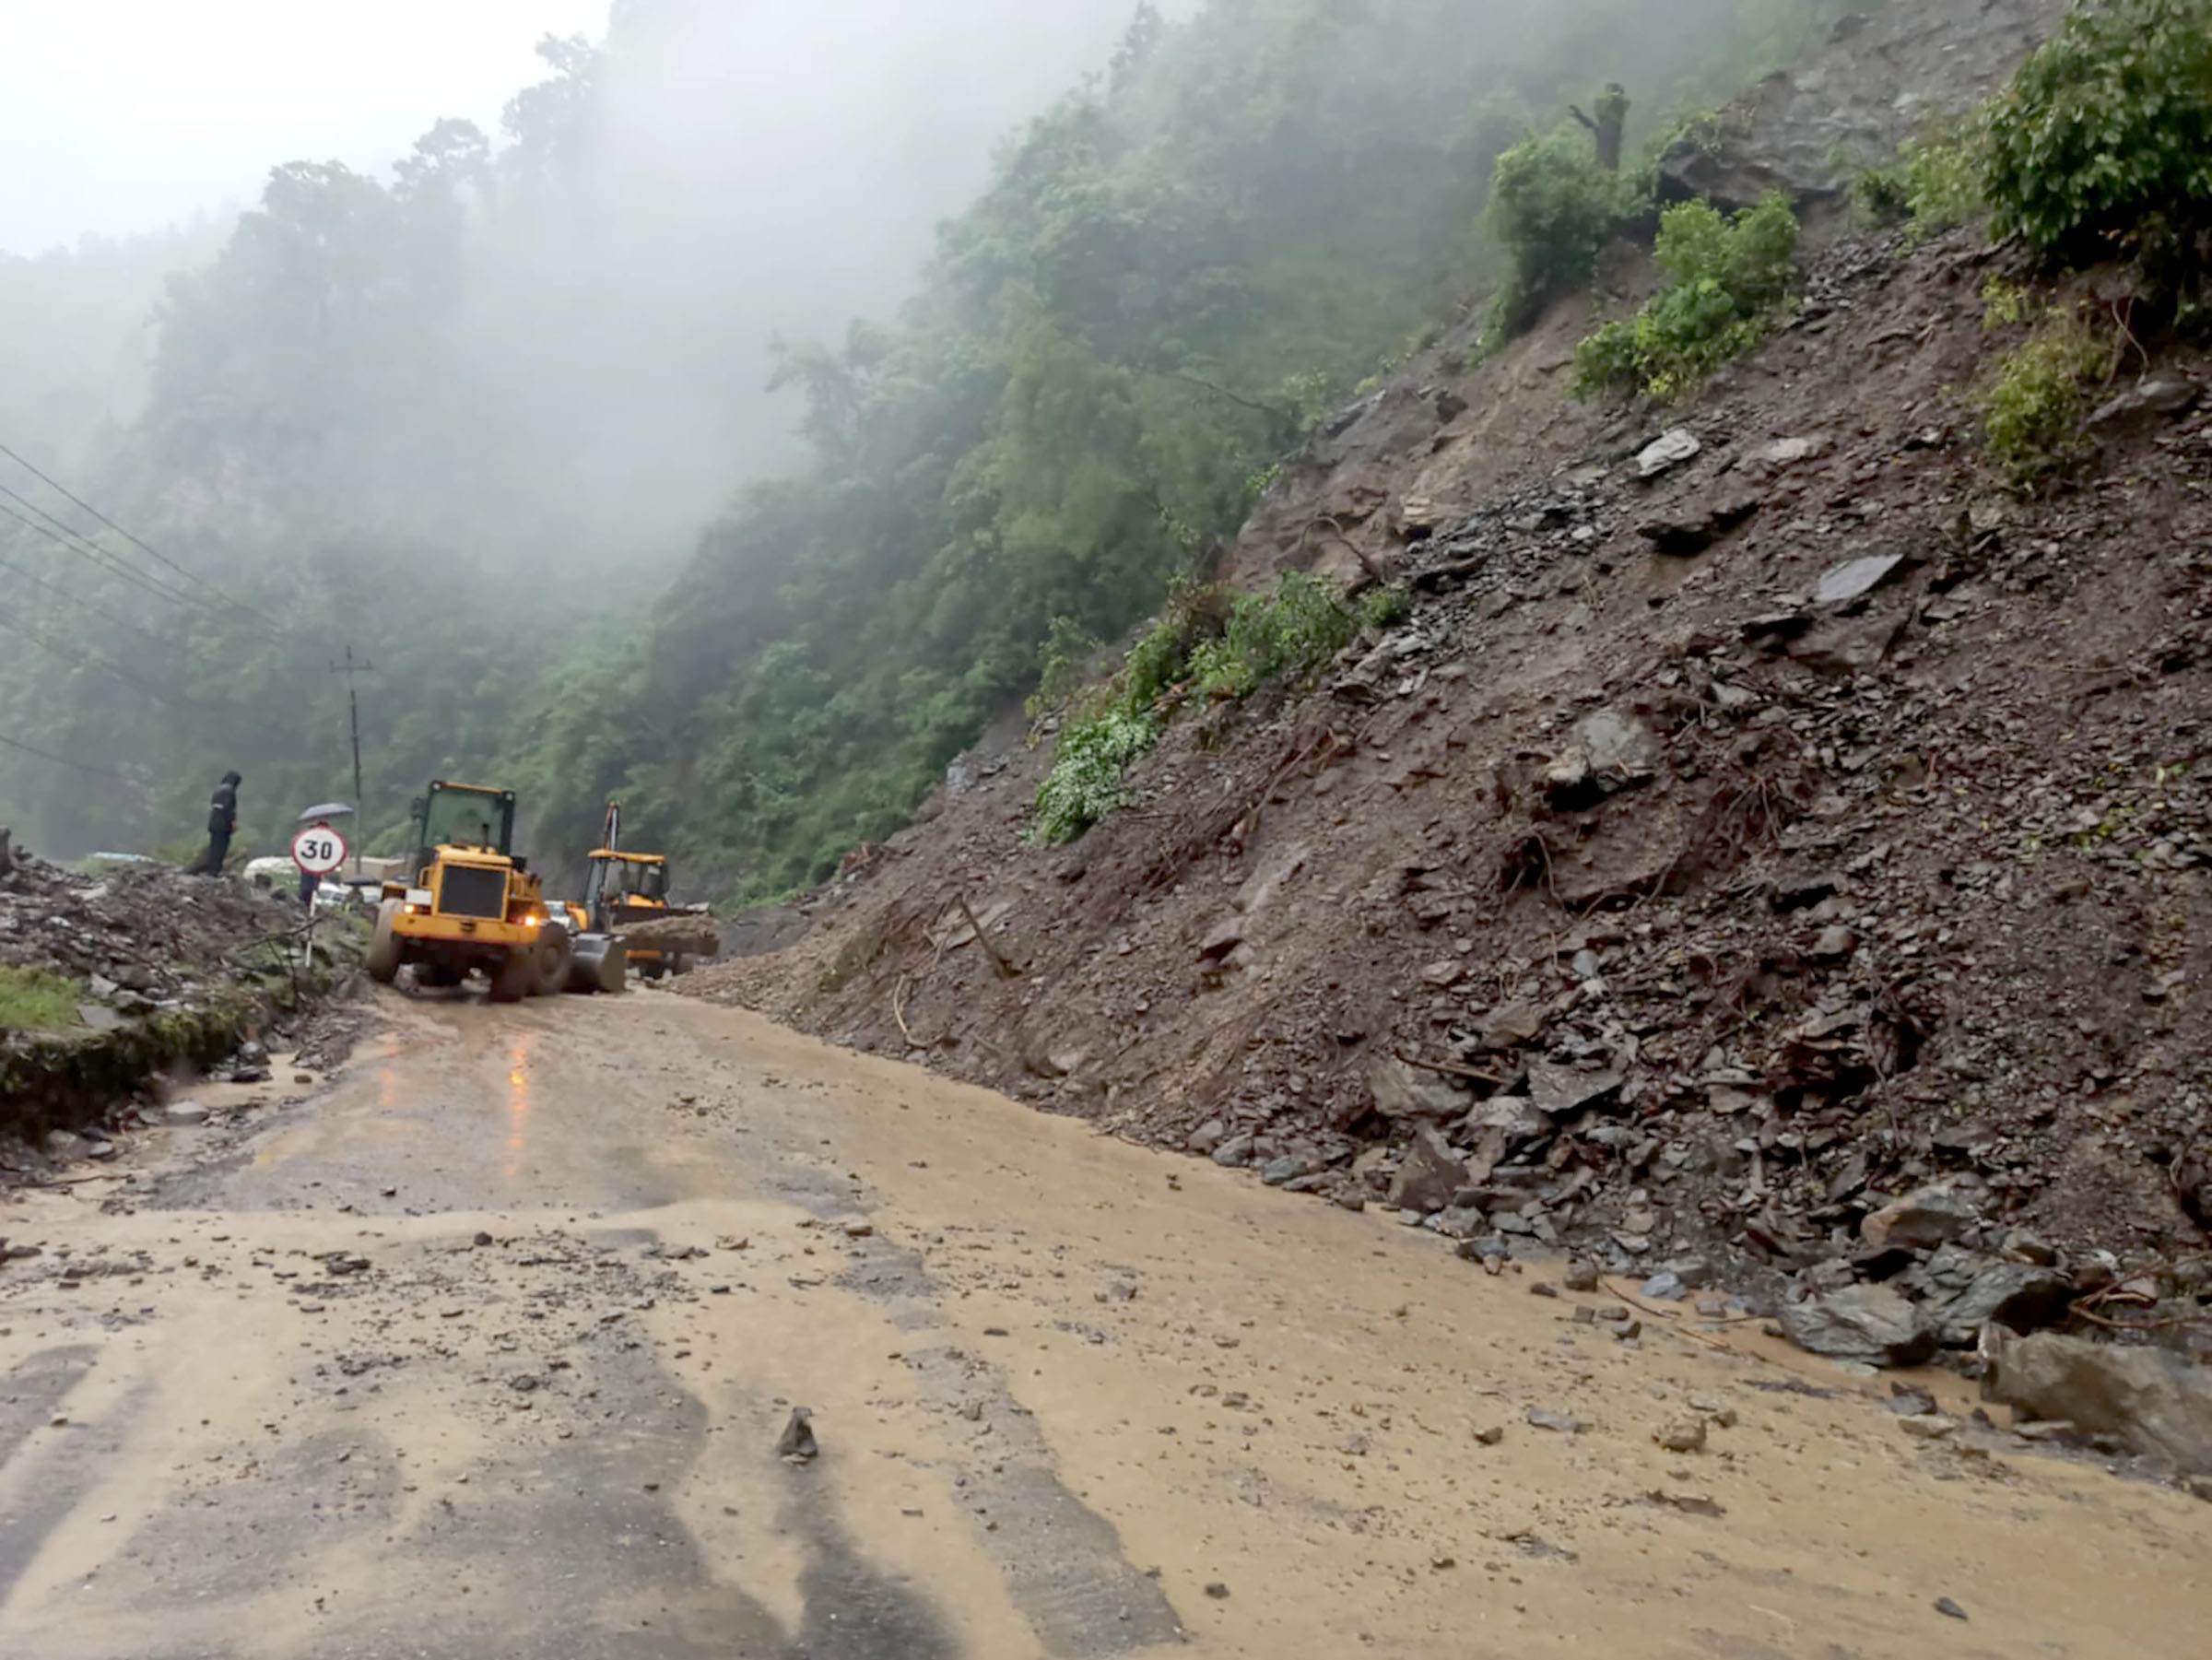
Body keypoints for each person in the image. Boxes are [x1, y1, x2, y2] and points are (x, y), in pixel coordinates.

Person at [186, 771, 241, 877]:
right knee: (221, 847)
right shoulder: (230, 791)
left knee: (214, 846)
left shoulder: (218, 789)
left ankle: (211, 869)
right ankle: (214, 871)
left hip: (213, 821)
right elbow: (228, 809)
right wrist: (233, 822)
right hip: (223, 823)